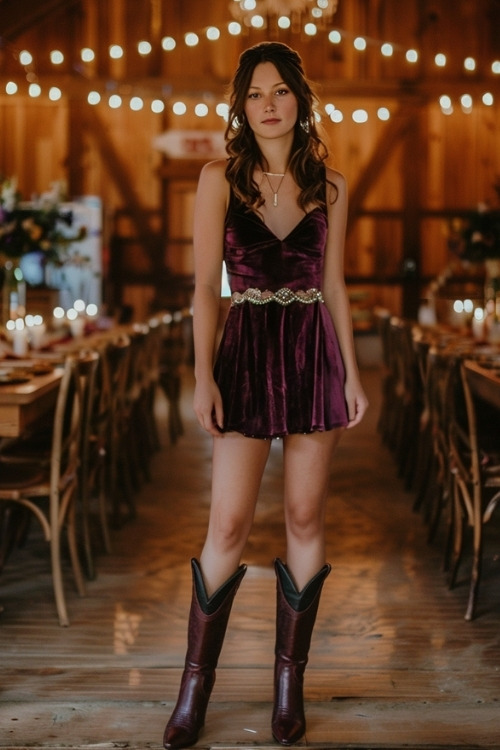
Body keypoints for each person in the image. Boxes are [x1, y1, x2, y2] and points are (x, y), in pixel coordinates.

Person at [163, 41, 369, 749]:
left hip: (312, 351)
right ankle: (196, 687)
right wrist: (201, 375)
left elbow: (336, 286)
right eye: (255, 94)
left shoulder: (331, 184)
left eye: (280, 92)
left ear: (299, 101)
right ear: (240, 105)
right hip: (245, 352)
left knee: (306, 517)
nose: (268, 105)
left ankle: (290, 683)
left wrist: (351, 370)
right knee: (227, 525)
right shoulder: (217, 177)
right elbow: (201, 292)